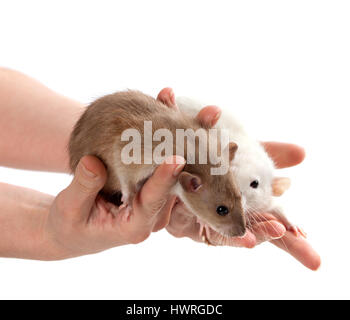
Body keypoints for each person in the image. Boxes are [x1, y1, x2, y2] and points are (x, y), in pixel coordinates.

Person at [0, 68, 320, 270]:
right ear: (192, 184)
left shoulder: (194, 158)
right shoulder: (182, 170)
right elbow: (128, 159)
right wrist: (46, 229)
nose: (235, 225)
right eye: (223, 210)